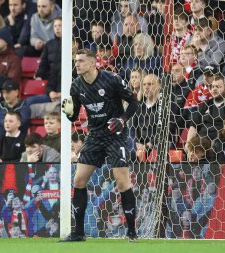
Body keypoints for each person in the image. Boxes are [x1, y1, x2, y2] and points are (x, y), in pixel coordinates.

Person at [61, 48, 139, 242]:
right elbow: (74, 114)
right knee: (79, 180)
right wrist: (69, 113)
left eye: (80, 61)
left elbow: (134, 102)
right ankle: (78, 233)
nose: (77, 64)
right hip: (95, 136)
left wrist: (122, 119)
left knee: (122, 181)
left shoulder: (111, 79)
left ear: (92, 63)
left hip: (115, 134)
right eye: (75, 61)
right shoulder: (76, 86)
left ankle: (131, 232)